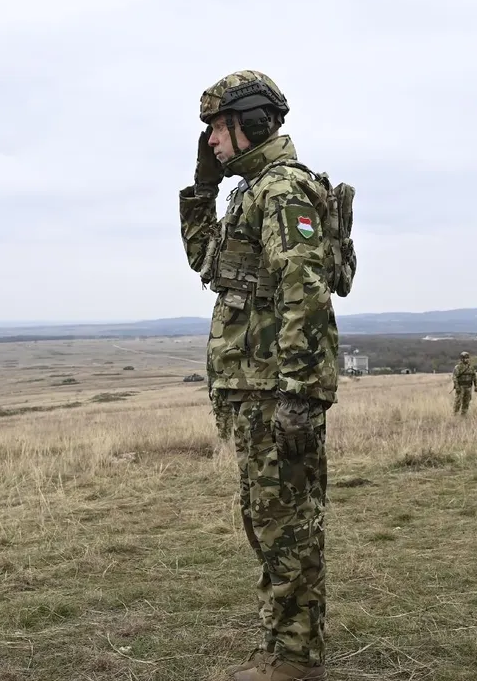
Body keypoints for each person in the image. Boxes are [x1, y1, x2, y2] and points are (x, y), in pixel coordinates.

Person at [179, 70, 343, 680]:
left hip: (278, 392)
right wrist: (201, 187)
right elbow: (207, 263)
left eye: (215, 130)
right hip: (257, 391)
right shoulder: (248, 192)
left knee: (288, 528)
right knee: (268, 523)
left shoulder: (282, 191)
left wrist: (299, 392)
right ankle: (284, 650)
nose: (211, 143)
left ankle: (296, 662)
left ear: (247, 124)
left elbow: (307, 290)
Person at [451, 351, 477, 415]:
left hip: (468, 387)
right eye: (465, 358)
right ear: (462, 359)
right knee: (458, 402)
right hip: (461, 387)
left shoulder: (471, 367)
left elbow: (474, 377)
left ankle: (464, 415)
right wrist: (457, 387)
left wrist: (476, 386)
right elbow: (454, 378)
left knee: (467, 402)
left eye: (468, 358)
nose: (467, 359)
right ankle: (455, 414)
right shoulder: (458, 367)